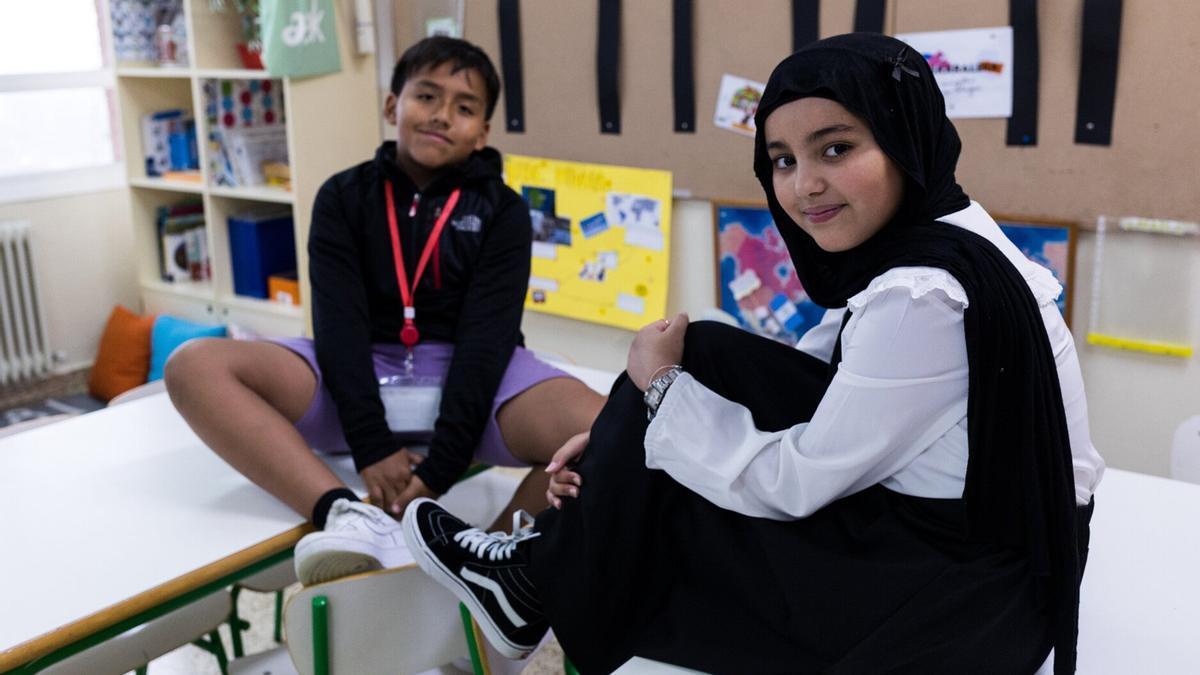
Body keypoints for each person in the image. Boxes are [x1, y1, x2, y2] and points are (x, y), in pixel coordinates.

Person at [401, 33, 1104, 674]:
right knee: (699, 374)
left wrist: (660, 391)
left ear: (904, 137)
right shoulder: (942, 235)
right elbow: (815, 377)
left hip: (961, 591)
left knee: (689, 405)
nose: (804, 184)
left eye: (836, 149)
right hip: (969, 545)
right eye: (783, 161)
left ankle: (536, 581)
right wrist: (628, 434)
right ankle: (535, 578)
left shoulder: (922, 296)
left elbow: (799, 479)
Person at [164, 36, 604, 586]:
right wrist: (371, 445)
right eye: (427, 96)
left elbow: (485, 342)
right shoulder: (342, 196)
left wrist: (441, 466)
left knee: (609, 428)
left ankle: (488, 566)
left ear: (482, 132)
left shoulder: (505, 211)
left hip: (470, 377)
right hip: (356, 369)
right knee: (193, 365)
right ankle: (347, 516)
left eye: (464, 107)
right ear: (393, 105)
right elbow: (338, 328)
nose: (442, 115)